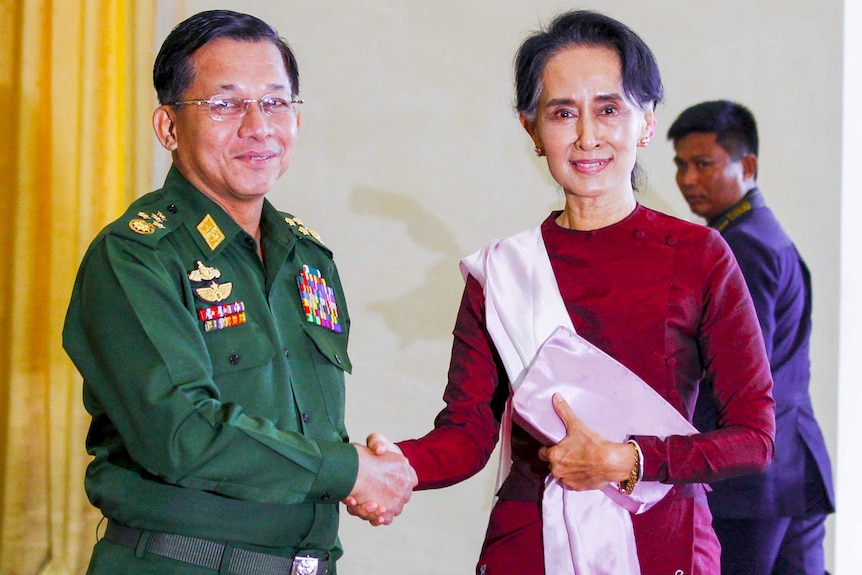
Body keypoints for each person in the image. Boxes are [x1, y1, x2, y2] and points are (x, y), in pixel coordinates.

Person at [347, 10, 775, 575]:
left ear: (645, 122)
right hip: (529, 546)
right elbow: (467, 433)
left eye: (608, 109)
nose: (587, 136)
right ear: (532, 129)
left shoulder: (698, 256)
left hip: (662, 544)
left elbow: (754, 439)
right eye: (563, 112)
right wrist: (393, 465)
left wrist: (628, 460)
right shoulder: (502, 272)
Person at [62, 10, 415, 575]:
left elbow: (303, 427)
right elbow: (179, 432)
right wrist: (348, 470)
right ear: (168, 127)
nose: (258, 126)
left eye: (276, 102)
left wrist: (367, 470)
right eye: (224, 104)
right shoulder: (135, 256)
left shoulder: (307, 255)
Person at [668, 100, 835, 575]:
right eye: (681, 165)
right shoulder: (762, 232)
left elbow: (737, 373)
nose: (688, 179)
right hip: (791, 467)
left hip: (751, 480)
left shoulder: (741, 244)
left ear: (748, 165)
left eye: (704, 164)